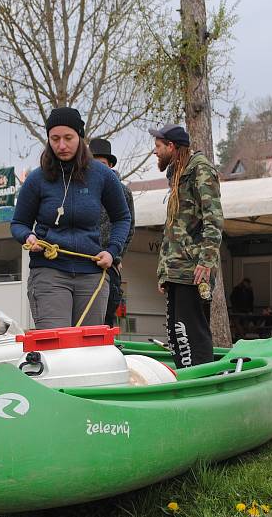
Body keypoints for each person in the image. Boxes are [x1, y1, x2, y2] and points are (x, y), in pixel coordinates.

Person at [11, 107, 131, 329]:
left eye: (68, 138)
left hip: (92, 273)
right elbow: (18, 223)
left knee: (89, 349)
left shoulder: (101, 175)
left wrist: (113, 251)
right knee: (58, 346)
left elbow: (123, 218)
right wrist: (27, 236)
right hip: (49, 273)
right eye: (55, 139)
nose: (62, 146)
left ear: (80, 138)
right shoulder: (37, 179)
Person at [151, 123, 223, 368]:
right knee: (175, 334)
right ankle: (184, 380)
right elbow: (172, 228)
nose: (155, 152)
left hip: (193, 270)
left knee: (191, 333)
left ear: (171, 146)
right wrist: (163, 271)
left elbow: (214, 219)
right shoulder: (177, 173)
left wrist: (206, 261)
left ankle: (202, 383)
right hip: (176, 270)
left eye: (158, 146)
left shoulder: (200, 170)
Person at [90, 138, 135, 327]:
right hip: (81, 262)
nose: (98, 168)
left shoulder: (122, 192)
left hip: (109, 267)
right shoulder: (80, 188)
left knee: (105, 322)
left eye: (101, 164)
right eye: (93, 163)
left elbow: (129, 227)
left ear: (109, 166)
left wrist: (115, 254)